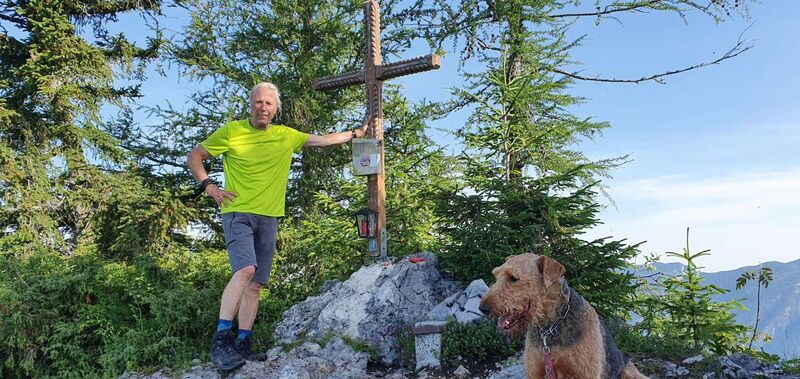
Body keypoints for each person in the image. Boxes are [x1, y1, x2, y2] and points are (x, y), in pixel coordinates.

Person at [186, 82, 369, 371]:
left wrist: (355, 134)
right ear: (251, 104)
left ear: (276, 109)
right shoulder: (232, 131)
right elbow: (195, 156)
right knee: (245, 270)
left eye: (269, 104)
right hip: (238, 212)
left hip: (268, 217)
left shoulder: (286, 136)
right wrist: (208, 186)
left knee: (256, 284)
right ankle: (220, 342)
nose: (263, 108)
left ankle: (243, 344)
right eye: (258, 102)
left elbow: (321, 140)